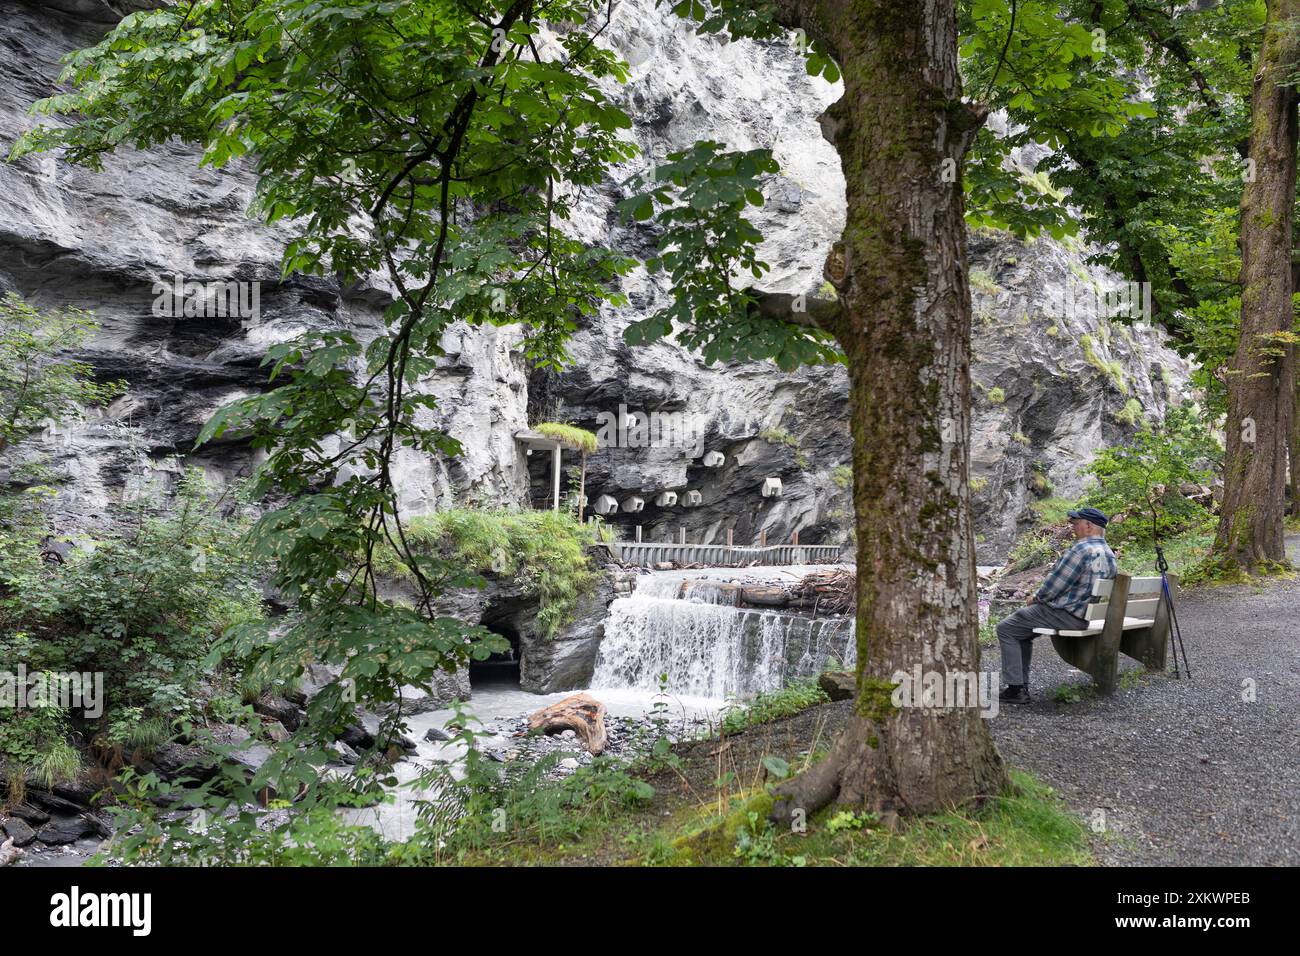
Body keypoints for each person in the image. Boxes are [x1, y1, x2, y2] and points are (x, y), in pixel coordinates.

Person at [996, 506, 1117, 704]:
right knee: (1020, 630)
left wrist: (1035, 598)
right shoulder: (1109, 553)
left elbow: (1055, 585)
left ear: (1088, 525)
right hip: (1086, 615)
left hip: (1067, 615)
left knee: (1007, 628)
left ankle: (1016, 689)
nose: (1073, 528)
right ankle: (1018, 686)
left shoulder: (1081, 549)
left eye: (1076, 524)